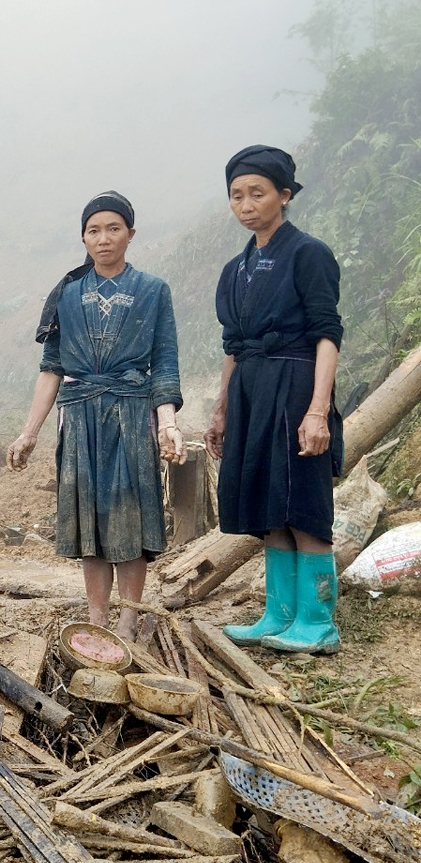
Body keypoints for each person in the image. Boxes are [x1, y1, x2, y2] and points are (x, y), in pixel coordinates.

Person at [7, 191, 185, 641]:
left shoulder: (152, 290)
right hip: (80, 414)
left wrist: (167, 422)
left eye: (113, 228)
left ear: (130, 233)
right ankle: (96, 617)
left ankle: (127, 619)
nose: (103, 238)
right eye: (93, 230)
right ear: (83, 237)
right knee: (89, 517)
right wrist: (29, 432)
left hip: (130, 412)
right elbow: (52, 367)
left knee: (128, 513)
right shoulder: (67, 293)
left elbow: (164, 361)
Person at [205, 146, 343, 655]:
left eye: (257, 193)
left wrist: (317, 410)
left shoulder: (308, 254)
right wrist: (221, 410)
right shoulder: (234, 270)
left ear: (284, 195)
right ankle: (279, 614)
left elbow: (327, 333)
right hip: (251, 391)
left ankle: (318, 620)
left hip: (296, 384)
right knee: (268, 502)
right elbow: (233, 348)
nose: (245, 204)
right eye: (236, 195)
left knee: (303, 502)